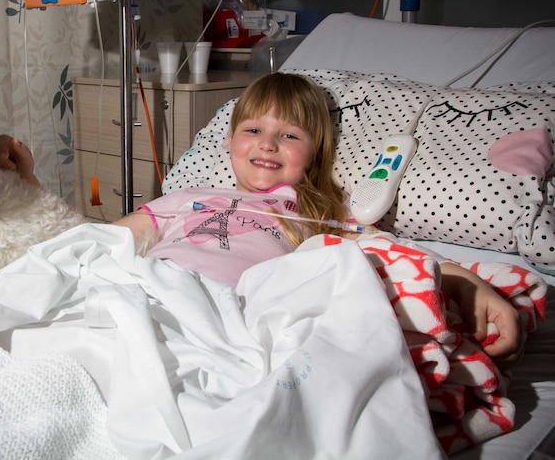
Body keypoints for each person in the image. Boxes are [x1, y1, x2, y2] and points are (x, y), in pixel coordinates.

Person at [111, 72, 523, 366]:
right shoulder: (189, 197)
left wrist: (469, 285)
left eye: (290, 135)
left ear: (316, 151)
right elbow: (101, 241)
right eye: (252, 130)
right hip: (145, 286)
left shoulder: (321, 213)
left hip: (224, 310)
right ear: (230, 140)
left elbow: (393, 254)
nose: (268, 144)